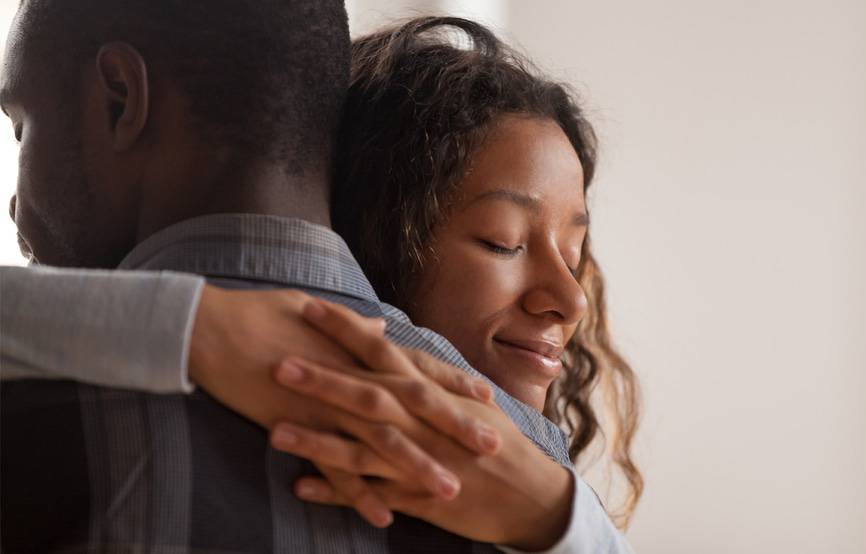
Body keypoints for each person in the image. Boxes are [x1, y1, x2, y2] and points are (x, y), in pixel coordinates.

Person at [0, 2, 632, 553]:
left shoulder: (34, 405)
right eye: (502, 243)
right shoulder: (524, 478)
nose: (571, 300)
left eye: (23, 128)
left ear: (120, 98)